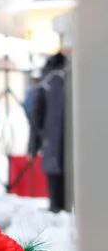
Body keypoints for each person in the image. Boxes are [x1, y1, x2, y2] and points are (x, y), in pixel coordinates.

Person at [32, 51, 70, 212]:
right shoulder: (72, 78)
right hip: (69, 145)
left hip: (52, 144)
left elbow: (36, 115)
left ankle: (56, 209)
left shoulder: (46, 83)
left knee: (56, 188)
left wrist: (34, 146)